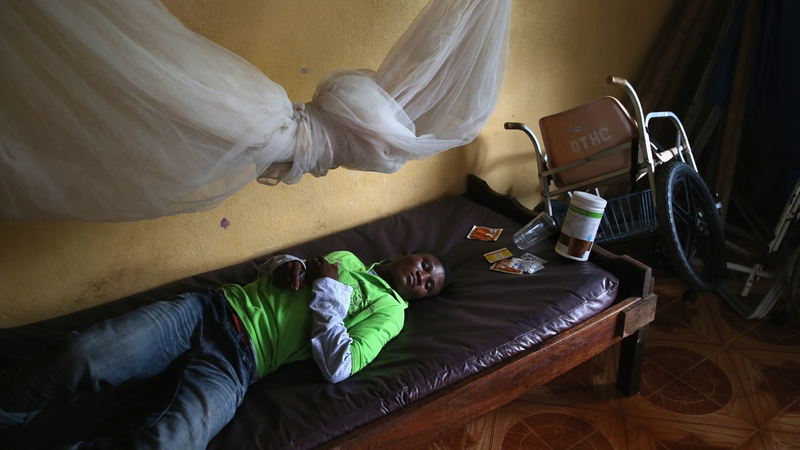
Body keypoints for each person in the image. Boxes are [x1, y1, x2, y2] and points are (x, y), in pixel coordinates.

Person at [0, 250, 449, 449]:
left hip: (240, 364)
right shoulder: (348, 258)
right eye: (425, 265)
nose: (423, 277)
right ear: (407, 253)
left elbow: (340, 365)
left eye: (430, 285)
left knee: (174, 444)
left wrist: (330, 293)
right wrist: (284, 266)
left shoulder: (392, 313)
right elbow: (274, 268)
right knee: (81, 355)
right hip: (209, 310)